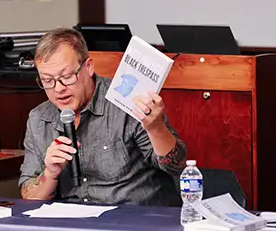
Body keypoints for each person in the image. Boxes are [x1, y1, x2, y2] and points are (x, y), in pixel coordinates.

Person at [18, 28, 187, 206]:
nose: (58, 89)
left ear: (89, 67)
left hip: (137, 221)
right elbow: (29, 196)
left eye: (67, 77)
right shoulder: (39, 118)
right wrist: (50, 174)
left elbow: (176, 166)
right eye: (47, 81)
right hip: (74, 227)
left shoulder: (125, 102)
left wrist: (156, 128)